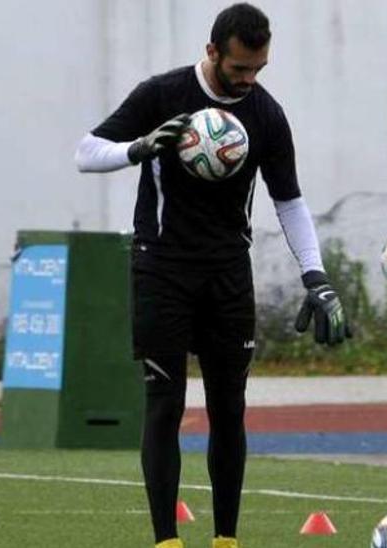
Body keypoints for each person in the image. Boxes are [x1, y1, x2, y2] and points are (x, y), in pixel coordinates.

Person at [74, 4, 349, 547]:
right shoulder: (162, 95)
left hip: (227, 273)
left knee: (230, 407)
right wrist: (138, 148)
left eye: (259, 69)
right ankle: (167, 541)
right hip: (161, 266)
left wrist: (315, 277)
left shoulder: (266, 115)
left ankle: (226, 540)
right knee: (165, 402)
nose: (249, 80)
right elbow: (86, 153)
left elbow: (289, 201)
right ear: (212, 53)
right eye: (239, 69)